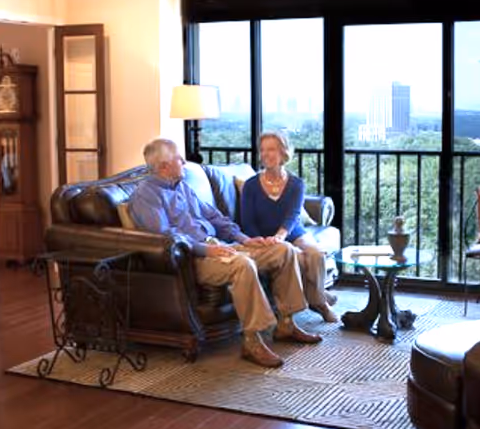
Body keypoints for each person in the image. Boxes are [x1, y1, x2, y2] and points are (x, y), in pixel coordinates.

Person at [128, 137, 321, 368]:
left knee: (283, 250)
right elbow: (165, 238)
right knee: (242, 265)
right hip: (195, 257)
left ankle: (286, 324)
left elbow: (213, 216)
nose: (184, 162)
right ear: (163, 166)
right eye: (180, 158)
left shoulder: (181, 186)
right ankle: (251, 342)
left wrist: (244, 239)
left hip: (218, 245)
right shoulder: (146, 196)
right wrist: (207, 250)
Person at [240, 131, 338, 323]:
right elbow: (247, 221)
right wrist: (261, 240)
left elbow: (293, 215)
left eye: (271, 149)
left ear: (283, 152)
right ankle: (321, 301)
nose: (266, 154)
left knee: (316, 254)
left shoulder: (296, 184)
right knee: (298, 258)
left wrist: (280, 236)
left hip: (293, 233)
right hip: (263, 238)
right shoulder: (251, 185)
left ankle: (318, 300)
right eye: (263, 150)